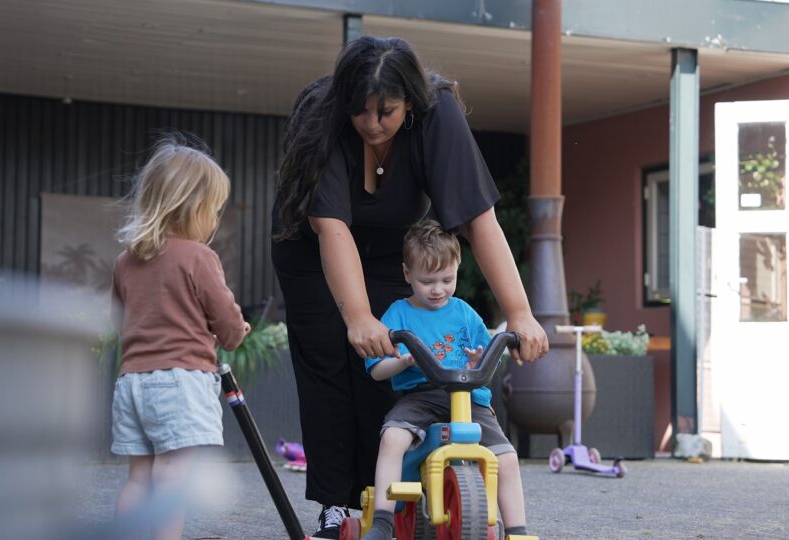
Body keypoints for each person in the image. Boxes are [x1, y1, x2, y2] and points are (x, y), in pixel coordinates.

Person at [271, 35, 549, 538]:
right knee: (333, 367)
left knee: (390, 365)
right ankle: (336, 507)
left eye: (387, 112)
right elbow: (332, 227)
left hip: (392, 252)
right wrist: (356, 317)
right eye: (360, 112)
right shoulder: (323, 115)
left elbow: (478, 218)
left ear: (411, 103)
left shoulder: (437, 114)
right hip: (314, 252)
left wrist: (521, 311)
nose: (373, 124)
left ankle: (394, 498)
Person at [110, 136, 250, 540]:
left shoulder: (125, 261)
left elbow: (122, 318)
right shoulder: (198, 257)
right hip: (181, 382)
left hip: (132, 382)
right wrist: (238, 330)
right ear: (193, 207)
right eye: (215, 210)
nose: (216, 220)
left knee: (139, 480)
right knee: (172, 480)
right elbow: (225, 323)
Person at [362, 220, 530, 539]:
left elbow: (486, 358)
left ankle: (518, 531)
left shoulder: (465, 312)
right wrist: (402, 361)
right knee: (392, 439)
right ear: (407, 274)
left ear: (457, 269)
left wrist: (479, 360)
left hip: (469, 398)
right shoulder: (398, 314)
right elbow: (376, 369)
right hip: (421, 397)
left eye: (447, 279)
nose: (438, 289)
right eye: (427, 281)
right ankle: (383, 520)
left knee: (506, 458)